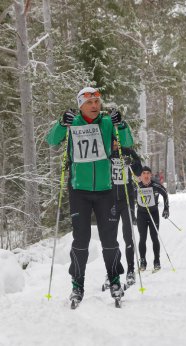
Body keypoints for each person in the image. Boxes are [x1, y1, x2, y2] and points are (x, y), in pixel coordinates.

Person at [46, 87, 134, 304]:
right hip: (79, 191)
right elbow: (51, 140)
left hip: (105, 190)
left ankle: (114, 279)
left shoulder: (106, 123)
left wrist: (121, 124)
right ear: (80, 106)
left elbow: (128, 142)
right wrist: (60, 122)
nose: (95, 105)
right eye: (90, 102)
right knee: (81, 240)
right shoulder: (72, 123)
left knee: (109, 240)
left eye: (97, 101)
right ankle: (77, 283)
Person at [105, 140, 142, 288]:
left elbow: (139, 171)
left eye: (116, 140)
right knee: (110, 240)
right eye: (112, 140)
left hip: (126, 200)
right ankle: (111, 272)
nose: (114, 143)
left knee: (128, 236)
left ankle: (131, 270)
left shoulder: (128, 152)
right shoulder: (106, 152)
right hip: (111, 201)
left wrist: (131, 163)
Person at [135, 166, 169, 272]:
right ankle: (143, 261)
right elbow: (130, 199)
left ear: (150, 175)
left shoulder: (156, 185)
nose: (146, 175)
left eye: (147, 173)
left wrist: (166, 209)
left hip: (153, 213)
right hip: (141, 214)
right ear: (140, 176)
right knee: (142, 238)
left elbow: (165, 194)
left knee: (154, 237)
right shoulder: (136, 186)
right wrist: (131, 214)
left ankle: (157, 261)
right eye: (143, 173)